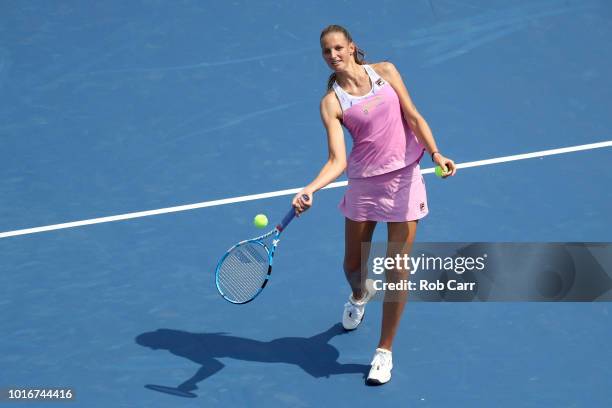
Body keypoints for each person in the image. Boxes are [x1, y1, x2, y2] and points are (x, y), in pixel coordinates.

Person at [292, 24, 457, 385]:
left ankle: (384, 351)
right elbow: (338, 160)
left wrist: (435, 152)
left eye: (338, 48)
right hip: (365, 186)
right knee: (353, 265)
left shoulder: (385, 72)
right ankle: (359, 294)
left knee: (398, 270)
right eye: (326, 51)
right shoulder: (331, 103)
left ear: (352, 47)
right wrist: (311, 189)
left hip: (405, 181)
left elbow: (413, 115)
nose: (333, 55)